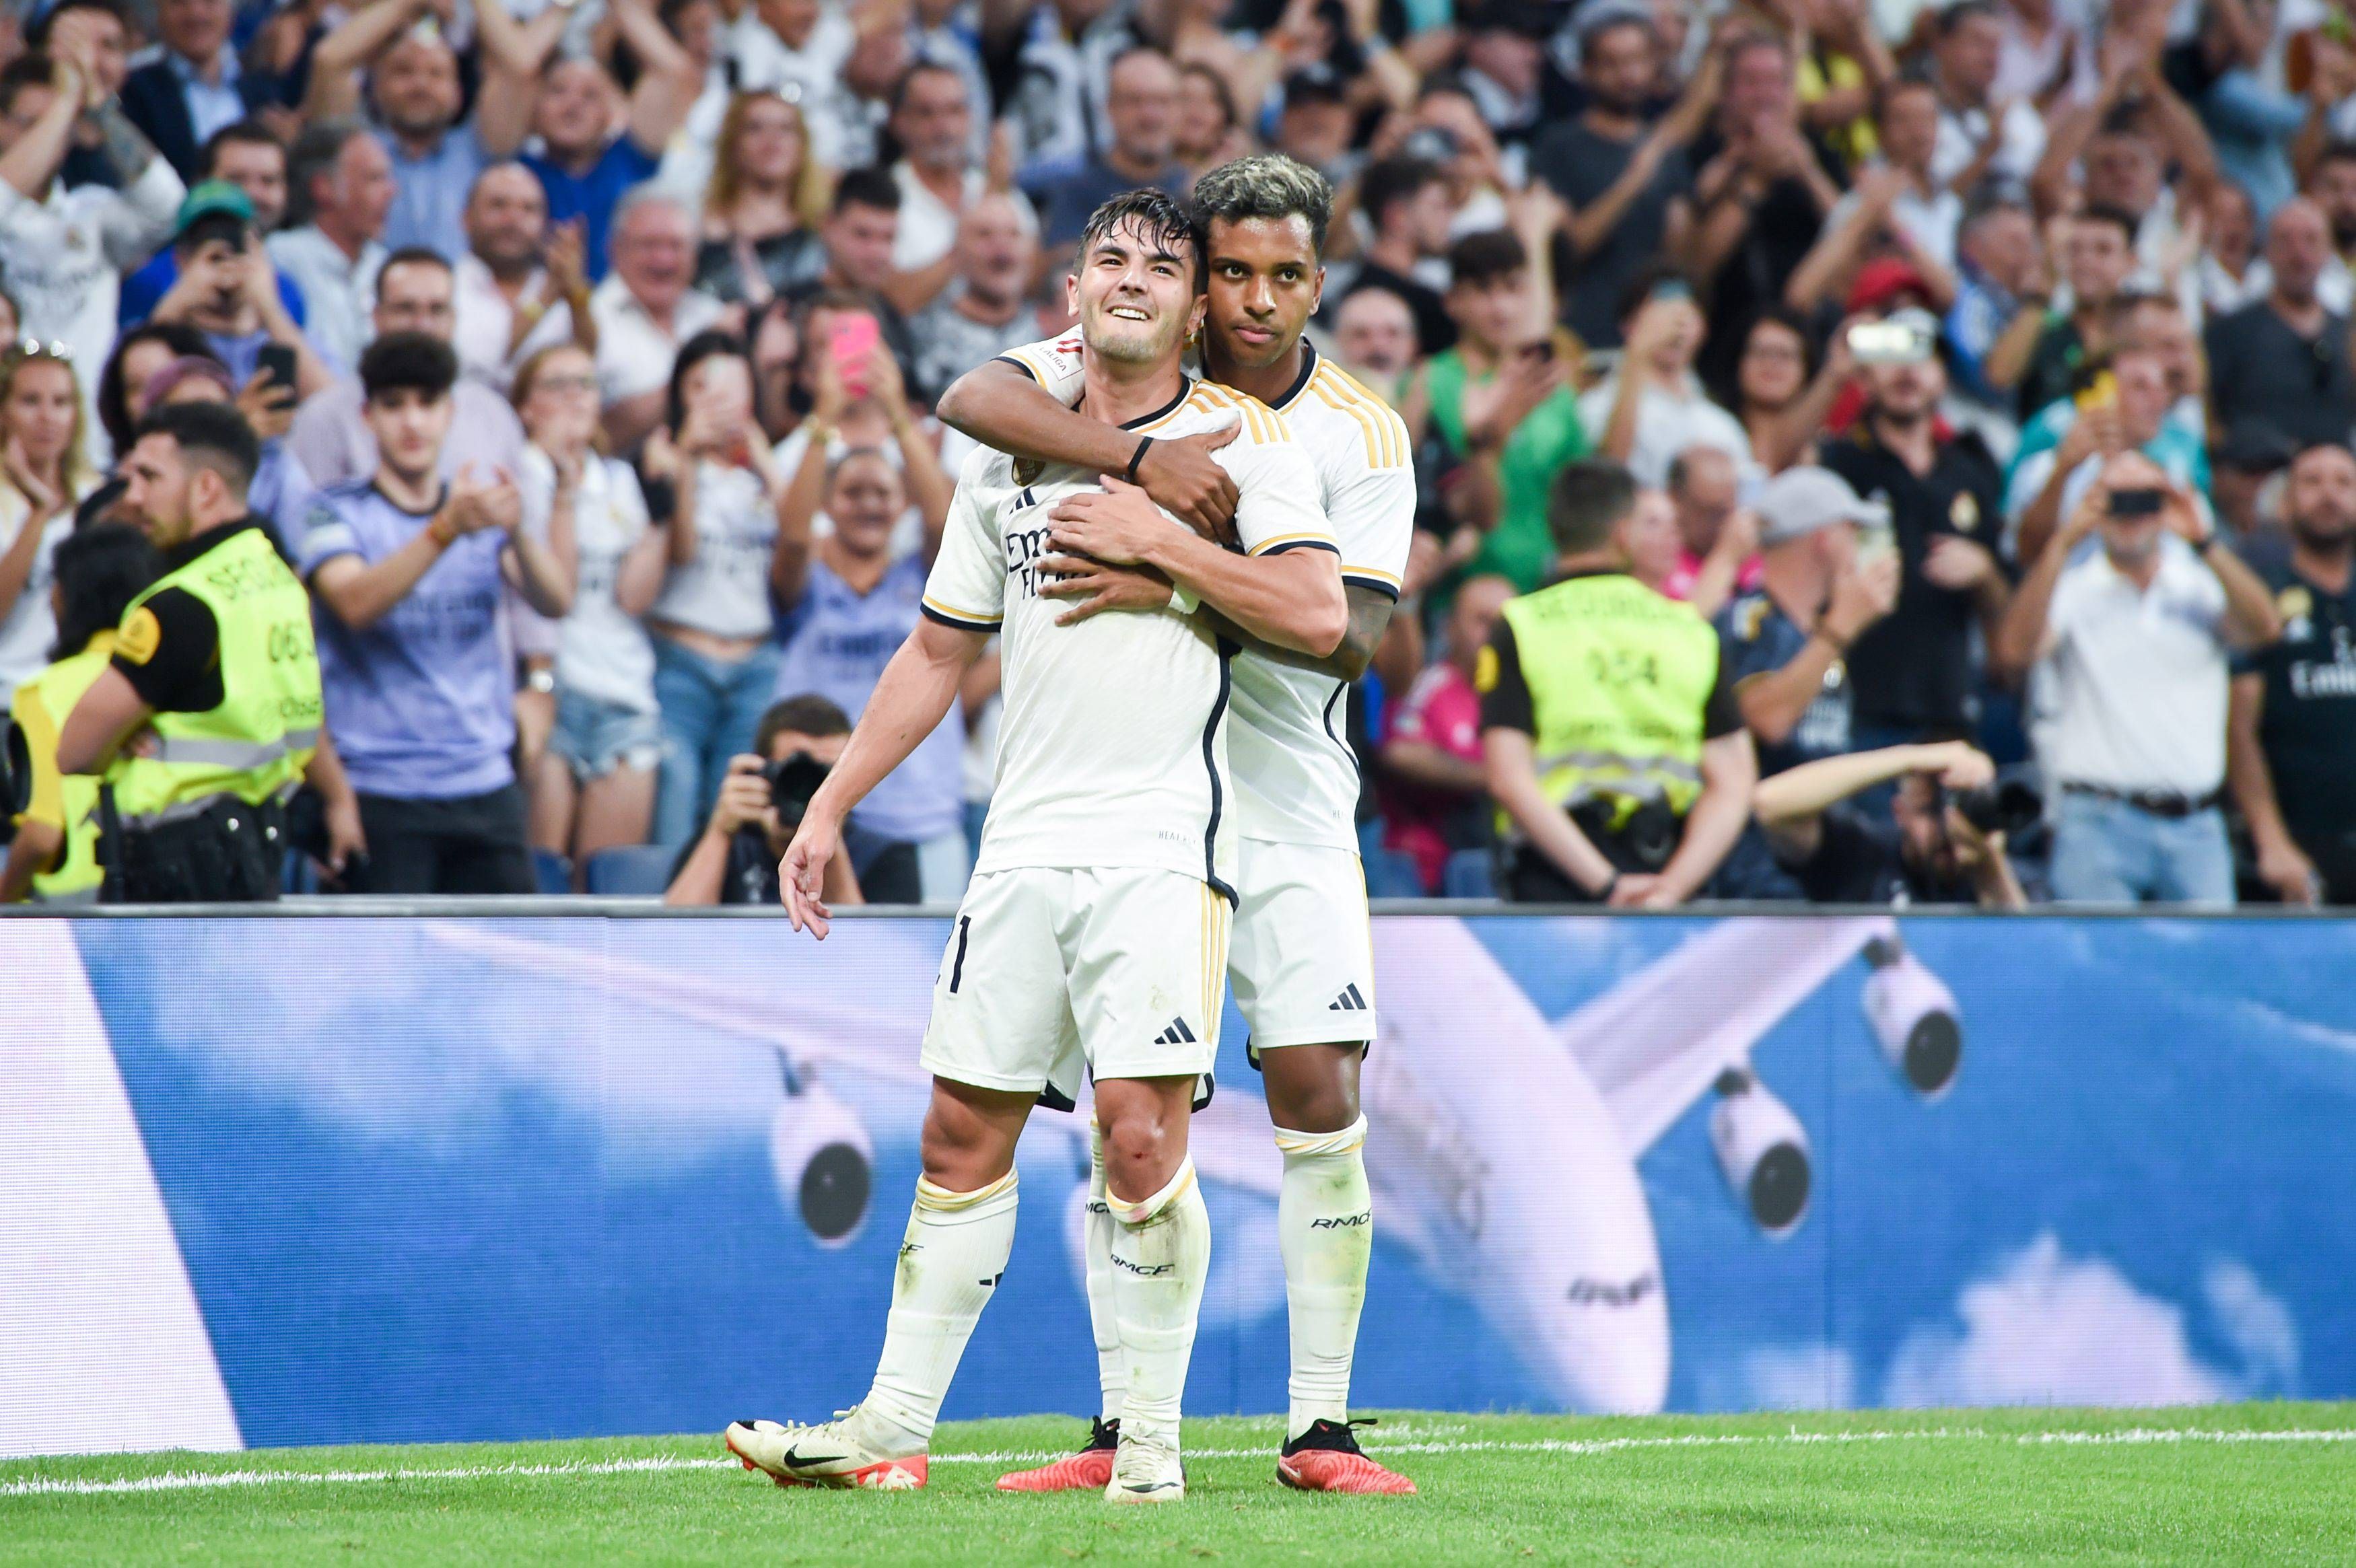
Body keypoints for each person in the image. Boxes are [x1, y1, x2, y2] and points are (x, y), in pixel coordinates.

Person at [728, 188, 1343, 1500]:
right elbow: (939, 647)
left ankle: (1154, 1458)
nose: (1130, 277)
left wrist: (1165, 553)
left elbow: (1313, 604)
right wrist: (829, 804)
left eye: (1161, 265)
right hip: (1015, 845)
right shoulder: (1009, 454)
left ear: (1192, 307)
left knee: (1137, 1135)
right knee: (959, 1129)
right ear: (1070, 294)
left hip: (1163, 848)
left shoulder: (1245, 445)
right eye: (1107, 257)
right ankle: (892, 1429)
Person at [937, 157, 1419, 1497]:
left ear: (1319, 281)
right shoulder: (1108, 369)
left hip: (1288, 801)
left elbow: (1348, 641)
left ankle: (1319, 1429)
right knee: (1130, 1113)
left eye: (1284, 275)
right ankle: (1118, 1430)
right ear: (1194, 284)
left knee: (1319, 1086)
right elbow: (974, 397)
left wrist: (1163, 543)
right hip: (1142, 797)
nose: (1254, 301)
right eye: (1230, 273)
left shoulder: (1356, 433)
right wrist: (1139, 459)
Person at [298, 333, 574, 894]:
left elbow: (556, 600)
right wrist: (447, 529)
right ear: (367, 417)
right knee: (391, 980)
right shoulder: (331, 512)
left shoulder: (479, 513)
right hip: (382, 788)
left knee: (508, 972)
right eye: (394, 405)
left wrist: (518, 529)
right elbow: (354, 604)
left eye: (427, 404)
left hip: (486, 783)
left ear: (450, 413)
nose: (412, 422)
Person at [55, 402, 353, 902]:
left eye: (150, 477)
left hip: (177, 864)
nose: (134, 498)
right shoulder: (278, 577)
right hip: (258, 846)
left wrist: (127, 731)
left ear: (207, 487)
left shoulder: (183, 605)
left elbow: (75, 751)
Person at [1994, 450, 2281, 906]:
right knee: (2096, 973)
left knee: (2206, 972)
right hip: (2097, 820)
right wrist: (2063, 543)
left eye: (2146, 497)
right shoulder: (2074, 585)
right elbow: (2014, 652)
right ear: (2093, 503)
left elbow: (2264, 629)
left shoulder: (2199, 584)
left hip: (2196, 824)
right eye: (2116, 498)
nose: (2131, 512)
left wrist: (2203, 540)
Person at [1480, 459, 1758, 906]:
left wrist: (1606, 885)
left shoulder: (1519, 624)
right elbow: (1734, 783)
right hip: (1669, 870)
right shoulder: (1688, 629)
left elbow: (1509, 779)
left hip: (1554, 884)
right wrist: (1669, 890)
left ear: (1555, 529)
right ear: (1623, 534)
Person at [771, 364, 959, 902]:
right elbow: (791, 536)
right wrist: (825, 417)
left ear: (902, 505)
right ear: (829, 506)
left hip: (918, 813)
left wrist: (900, 417)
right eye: (853, 493)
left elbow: (943, 521)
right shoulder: (806, 585)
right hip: (819, 808)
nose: (870, 503)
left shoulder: (924, 580)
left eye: (883, 493)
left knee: (928, 967)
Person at [1819, 314, 2009, 751]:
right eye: (1892, 357)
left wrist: (1985, 573)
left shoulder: (1972, 468)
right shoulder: (1839, 461)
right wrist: (1833, 378)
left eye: (1922, 357)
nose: (1907, 370)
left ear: (1944, 377)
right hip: (1858, 707)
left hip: (1948, 711)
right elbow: (1777, 468)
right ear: (1865, 376)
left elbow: (2003, 615)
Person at [512, 344, 665, 886]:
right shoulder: (512, 479)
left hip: (623, 690)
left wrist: (663, 514)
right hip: (551, 695)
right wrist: (562, 489)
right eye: (558, 385)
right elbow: (561, 592)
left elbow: (633, 597)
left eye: (586, 383)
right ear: (526, 406)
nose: (577, 396)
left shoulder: (619, 479)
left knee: (610, 889)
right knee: (543, 884)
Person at [640, 331, 788, 849]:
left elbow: (797, 554)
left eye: (730, 385)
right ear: (678, 393)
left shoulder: (771, 469)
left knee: (743, 811)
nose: (715, 400)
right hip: (682, 658)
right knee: (676, 798)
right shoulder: (662, 458)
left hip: (754, 663)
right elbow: (680, 550)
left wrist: (765, 462)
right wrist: (685, 458)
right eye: (699, 385)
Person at [1404, 227, 1587, 594]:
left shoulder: (1549, 385)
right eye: (1484, 290)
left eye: (1513, 288)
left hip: (1545, 583)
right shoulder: (1427, 382)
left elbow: (1579, 489)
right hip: (1453, 592)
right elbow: (1397, 482)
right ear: (1453, 301)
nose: (1501, 307)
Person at [0, 49, 184, 391]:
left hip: (93, 426)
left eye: (58, 124)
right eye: (32, 123)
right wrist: (64, 102)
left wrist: (100, 110)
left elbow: (169, 208)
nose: (48, 135)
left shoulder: (92, 210)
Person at [298, 0, 541, 255]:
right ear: (376, 88)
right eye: (403, 72)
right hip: (367, 289)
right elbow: (329, 60)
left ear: (458, 93)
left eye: (436, 74)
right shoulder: (355, 145)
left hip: (463, 291)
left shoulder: (480, 148)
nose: (420, 84)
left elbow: (521, 67)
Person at [1529, 7, 1704, 351]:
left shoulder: (1666, 148)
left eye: (1638, 60)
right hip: (1583, 336)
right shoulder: (1559, 146)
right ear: (1586, 70)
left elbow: (1682, 259)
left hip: (1652, 338)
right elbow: (1567, 248)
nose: (1628, 75)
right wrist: (1632, 182)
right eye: (1612, 63)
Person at [1, 524, 160, 903]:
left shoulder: (43, 693)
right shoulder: (163, 678)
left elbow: (43, 835)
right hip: (169, 892)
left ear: (73, 596)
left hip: (72, 910)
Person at [2227, 441, 2356, 905]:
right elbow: (2239, 731)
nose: (2330, 495)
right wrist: (2270, 840)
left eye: (2344, 482)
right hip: (2296, 843)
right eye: (2312, 482)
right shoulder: (2261, 601)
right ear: (2285, 504)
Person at [287, 248, 529, 490]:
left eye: (437, 310)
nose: (422, 325)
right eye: (406, 309)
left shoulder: (493, 414)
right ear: (377, 316)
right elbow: (309, 517)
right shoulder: (324, 416)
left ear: (454, 319)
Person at [514, 0, 703, 280]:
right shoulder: (515, 167)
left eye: (590, 95)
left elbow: (672, 72)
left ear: (611, 113)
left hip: (621, 312)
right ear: (534, 108)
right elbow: (516, 65)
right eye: (557, 91)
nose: (573, 105)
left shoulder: (631, 157)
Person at [1752, 740, 2029, 908]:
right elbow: (1768, 803)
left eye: (1959, 814)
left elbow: (2034, 969)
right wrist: (1912, 758)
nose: (1947, 830)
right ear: (1900, 811)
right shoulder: (1861, 856)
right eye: (1929, 812)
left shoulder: (1997, 871)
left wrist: (1990, 864)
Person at [1379, 573, 1514, 894]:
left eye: (1505, 623)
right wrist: (1496, 776)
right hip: (1429, 865)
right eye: (1482, 621)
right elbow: (1399, 752)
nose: (1494, 633)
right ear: (1451, 627)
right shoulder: (1433, 686)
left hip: (1506, 856)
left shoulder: (1527, 692)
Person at [660, 693, 864, 906]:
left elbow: (864, 938)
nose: (815, 793)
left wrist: (828, 834)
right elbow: (677, 931)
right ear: (762, 772)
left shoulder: (883, 856)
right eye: (795, 774)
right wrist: (720, 833)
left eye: (828, 776)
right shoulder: (726, 846)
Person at [147, 181, 332, 396]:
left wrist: (268, 306)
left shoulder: (286, 336)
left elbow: (335, 411)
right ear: (181, 259)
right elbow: (136, 392)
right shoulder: (165, 335)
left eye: (236, 244)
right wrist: (179, 299)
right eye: (205, 244)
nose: (226, 260)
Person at [118, 122, 307, 330]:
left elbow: (289, 361)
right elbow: (125, 357)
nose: (253, 194)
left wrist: (268, 311)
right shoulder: (149, 279)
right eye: (236, 179)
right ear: (203, 182)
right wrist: (179, 303)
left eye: (268, 181)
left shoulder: (285, 290)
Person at [2205, 198, 2356, 451]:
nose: (2299, 254)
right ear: (2266, 249)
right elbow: (2211, 420)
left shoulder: (2349, 335)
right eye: (2286, 240)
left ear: (2329, 251)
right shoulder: (2229, 332)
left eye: (2311, 240)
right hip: (2257, 475)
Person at [1579, 272, 1753, 490]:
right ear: (1628, 325)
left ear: (1704, 329)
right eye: (1660, 313)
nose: (1676, 326)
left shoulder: (1723, 426)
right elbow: (1604, 484)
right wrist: (1638, 353)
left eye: (1688, 315)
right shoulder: (1596, 406)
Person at [0, 345, 101, 700]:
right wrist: (41, 511)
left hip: (71, 696)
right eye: (30, 401)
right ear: (3, 413)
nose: (48, 417)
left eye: (61, 402)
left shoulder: (97, 496)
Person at [594, 188, 727, 451]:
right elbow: (600, 431)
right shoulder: (590, 319)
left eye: (676, 245)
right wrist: (695, 369)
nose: (664, 259)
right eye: (649, 245)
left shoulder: (711, 314)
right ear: (615, 250)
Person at [1028, 48, 1188, 257]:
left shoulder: (1193, 189)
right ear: (1109, 108)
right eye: (1135, 101)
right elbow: (1064, 270)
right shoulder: (1077, 191)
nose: (1150, 116)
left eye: (1162, 102)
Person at [453, 162, 596, 395]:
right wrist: (546, 298)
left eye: (529, 209)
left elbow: (592, 359)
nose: (513, 220)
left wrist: (575, 293)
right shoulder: (448, 287)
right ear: (466, 218)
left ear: (544, 224)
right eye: (498, 205)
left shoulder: (559, 286)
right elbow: (482, 364)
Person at [692, 92, 829, 308]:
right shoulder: (697, 229)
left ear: (803, 146)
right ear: (733, 144)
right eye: (755, 128)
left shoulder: (823, 232)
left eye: (786, 129)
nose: (772, 140)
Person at [909, 192, 1043, 404]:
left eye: (1014, 234)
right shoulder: (920, 334)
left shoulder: (1052, 330)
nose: (1001, 247)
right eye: (984, 235)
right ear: (956, 253)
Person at [1328, 155, 1455, 357]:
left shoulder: (1350, 288)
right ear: (1398, 215)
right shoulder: (1428, 310)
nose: (1449, 218)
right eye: (1437, 207)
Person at [1661, 446, 1760, 618]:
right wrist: (1725, 558)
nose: (1723, 523)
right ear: (1675, 499)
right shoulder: (1656, 560)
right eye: (1710, 512)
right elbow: (1679, 631)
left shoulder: (1751, 554)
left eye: (1729, 510)